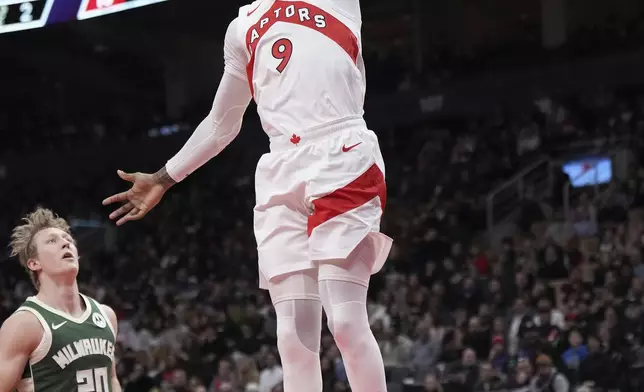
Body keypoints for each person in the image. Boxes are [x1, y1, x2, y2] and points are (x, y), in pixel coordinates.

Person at [102, 1, 391, 391]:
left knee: (344, 321)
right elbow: (222, 123)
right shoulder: (241, 27)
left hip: (340, 153)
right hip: (279, 168)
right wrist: (163, 177)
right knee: (292, 338)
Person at [0, 208, 121, 392]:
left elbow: (111, 379)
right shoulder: (24, 324)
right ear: (34, 263)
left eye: (69, 240)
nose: (66, 243)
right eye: (52, 241)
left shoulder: (106, 315)